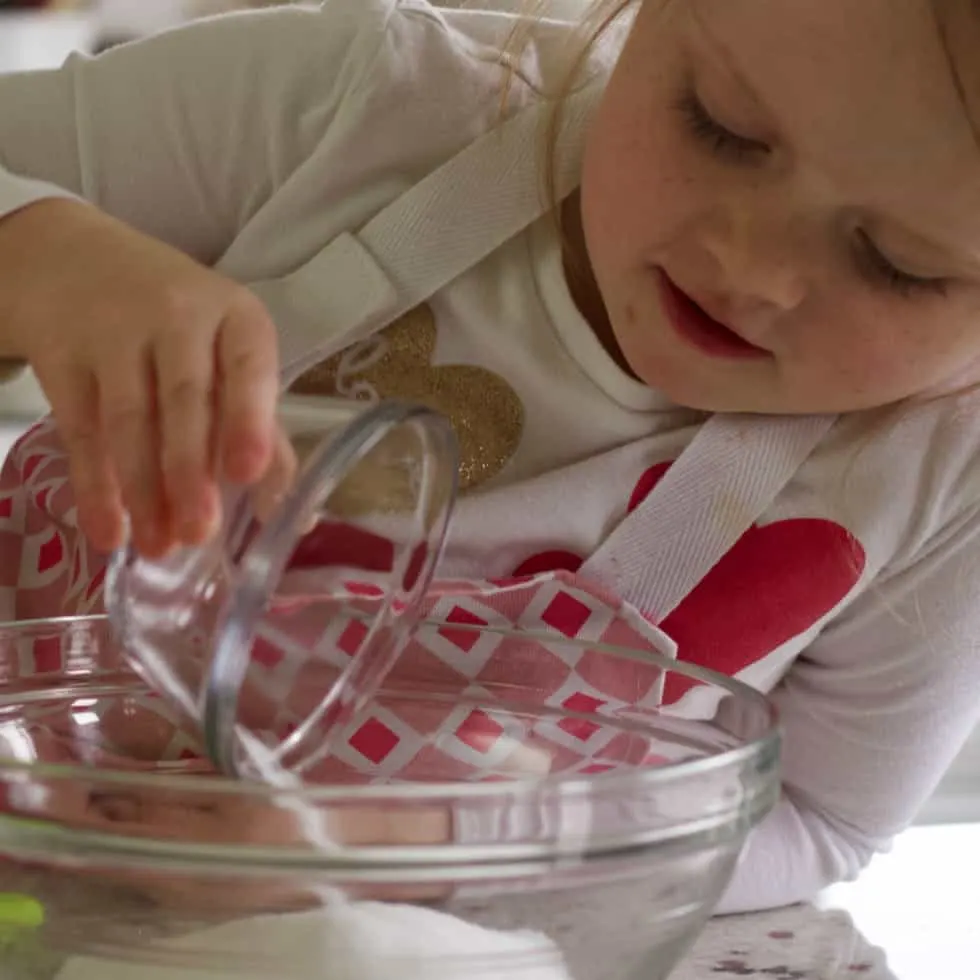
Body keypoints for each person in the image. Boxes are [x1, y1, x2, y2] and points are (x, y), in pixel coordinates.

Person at [0, 0, 979, 917]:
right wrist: (42, 257)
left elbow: (818, 819)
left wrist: (409, 849)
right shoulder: (378, 106)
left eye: (900, 263)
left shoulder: (939, 471)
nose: (749, 266)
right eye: (718, 123)